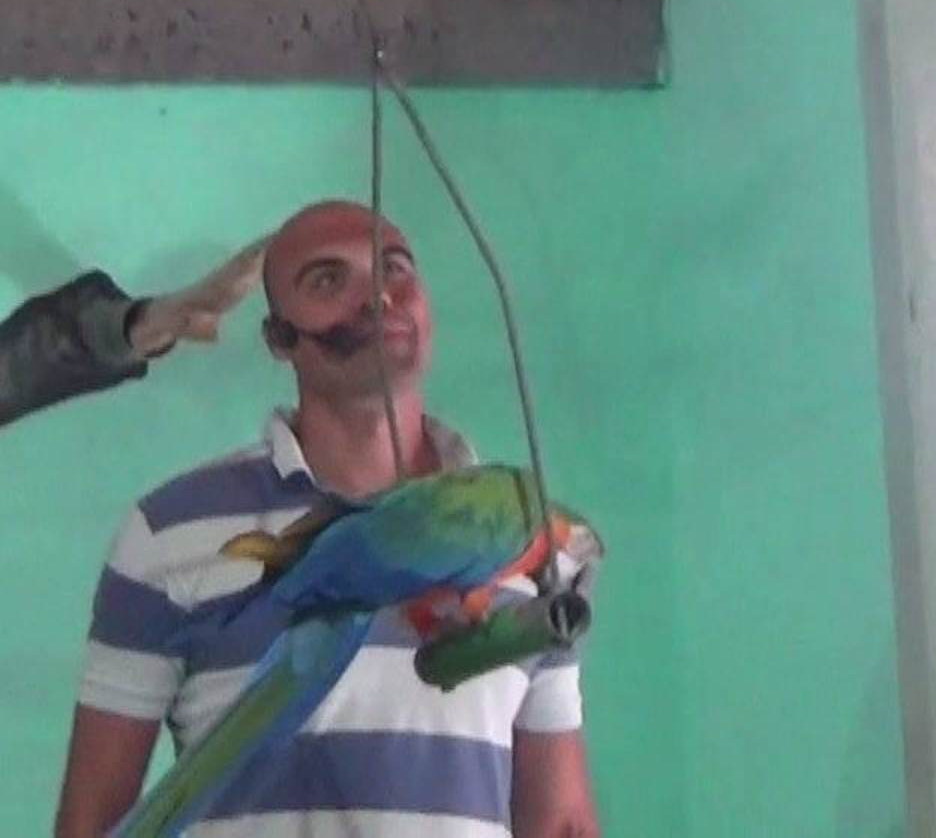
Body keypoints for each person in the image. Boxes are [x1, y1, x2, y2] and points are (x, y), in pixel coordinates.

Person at [53, 199, 602, 837]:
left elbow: (561, 821)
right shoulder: (166, 534)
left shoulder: (540, 545)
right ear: (278, 338)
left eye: (395, 269)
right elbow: (89, 825)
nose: (378, 298)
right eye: (327, 280)